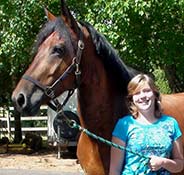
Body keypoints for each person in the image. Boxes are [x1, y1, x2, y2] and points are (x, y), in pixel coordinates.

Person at [109, 73, 184, 175]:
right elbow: (114, 171)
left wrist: (164, 162)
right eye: (137, 93)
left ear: (155, 93)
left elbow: (179, 165)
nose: (142, 96)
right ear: (132, 99)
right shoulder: (124, 125)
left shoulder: (171, 123)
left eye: (147, 91)